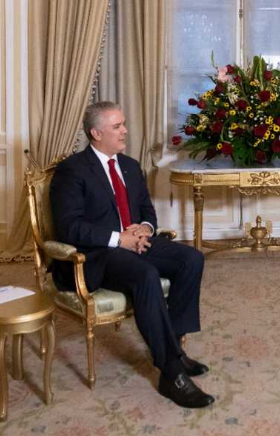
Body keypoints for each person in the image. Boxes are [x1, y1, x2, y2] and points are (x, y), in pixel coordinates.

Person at [50, 101, 214, 408]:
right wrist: (119, 239)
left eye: (123, 124)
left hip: (135, 242)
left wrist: (145, 230)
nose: (125, 130)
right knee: (145, 275)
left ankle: (174, 349)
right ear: (96, 133)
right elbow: (69, 227)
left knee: (192, 259)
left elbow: (147, 211)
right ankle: (171, 373)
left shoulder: (129, 165)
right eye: (117, 126)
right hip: (98, 254)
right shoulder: (72, 170)